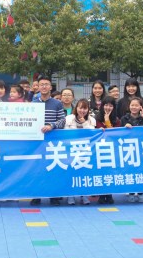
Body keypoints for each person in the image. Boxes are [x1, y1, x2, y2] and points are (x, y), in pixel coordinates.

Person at [30, 75, 66, 206]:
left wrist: (51, 126)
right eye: (41, 84)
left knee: (53, 169)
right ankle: (36, 195)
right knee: (37, 169)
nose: (44, 86)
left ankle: (53, 196)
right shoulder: (33, 104)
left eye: (46, 84)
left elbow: (62, 121)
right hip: (37, 143)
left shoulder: (57, 103)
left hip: (53, 142)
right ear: (38, 87)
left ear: (51, 87)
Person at [64, 99, 95, 205]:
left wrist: (84, 123)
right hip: (71, 150)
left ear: (88, 109)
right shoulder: (68, 119)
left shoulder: (91, 120)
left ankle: (84, 195)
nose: (82, 110)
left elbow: (92, 134)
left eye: (85, 108)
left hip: (85, 151)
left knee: (84, 174)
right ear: (76, 108)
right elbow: (65, 134)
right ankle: (70, 195)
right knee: (70, 173)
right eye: (80, 108)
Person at [120, 96, 143, 202]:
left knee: (141, 171)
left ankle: (140, 193)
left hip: (141, 148)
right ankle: (131, 192)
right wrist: (125, 127)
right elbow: (119, 132)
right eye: (132, 105)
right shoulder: (124, 118)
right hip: (128, 148)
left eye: (136, 105)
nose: (134, 107)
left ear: (141, 107)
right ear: (129, 106)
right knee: (130, 171)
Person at [94, 96, 119, 204]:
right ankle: (101, 194)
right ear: (102, 106)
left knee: (109, 172)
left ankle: (109, 194)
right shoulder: (95, 119)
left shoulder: (117, 120)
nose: (108, 108)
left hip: (111, 150)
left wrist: (108, 121)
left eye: (110, 106)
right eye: (106, 105)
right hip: (98, 150)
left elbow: (114, 134)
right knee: (100, 172)